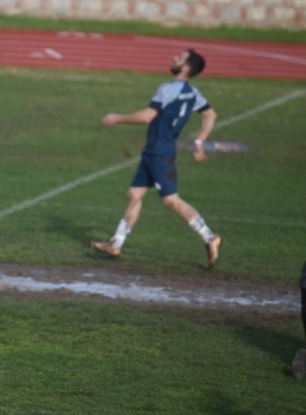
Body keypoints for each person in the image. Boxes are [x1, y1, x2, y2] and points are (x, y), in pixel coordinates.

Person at [91, 49, 222, 269]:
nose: (173, 58)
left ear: (187, 68)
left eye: (179, 58)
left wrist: (118, 118)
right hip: (154, 150)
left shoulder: (168, 89)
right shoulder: (193, 93)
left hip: (160, 151)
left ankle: (209, 237)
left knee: (171, 200)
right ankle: (116, 243)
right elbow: (210, 114)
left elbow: (148, 116)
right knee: (134, 194)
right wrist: (199, 142)